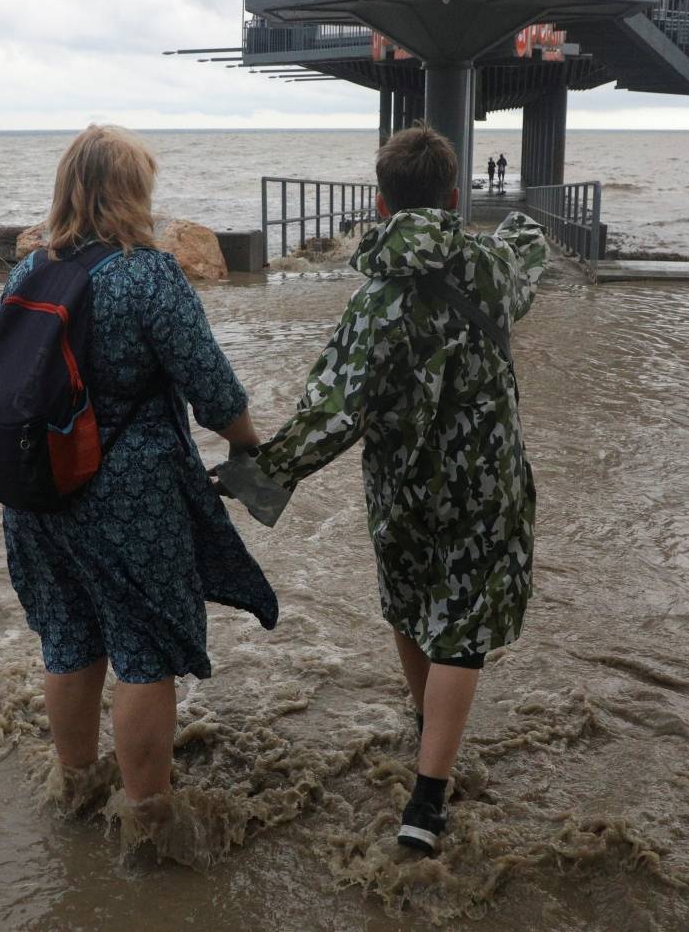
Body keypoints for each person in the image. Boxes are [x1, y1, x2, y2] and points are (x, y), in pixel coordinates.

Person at [215, 126, 548, 854]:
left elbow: (332, 414)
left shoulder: (376, 304)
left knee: (407, 600)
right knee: (462, 624)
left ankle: (427, 733)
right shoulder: (488, 267)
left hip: (403, 489)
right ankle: (428, 801)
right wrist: (526, 231)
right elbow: (528, 255)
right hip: (487, 484)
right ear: (454, 196)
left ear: (379, 202)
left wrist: (252, 474)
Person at [0, 125, 277, 810]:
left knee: (68, 641)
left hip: (34, 493)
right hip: (127, 502)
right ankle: (148, 823)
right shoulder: (148, 274)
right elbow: (213, 392)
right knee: (144, 654)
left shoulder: (28, 271)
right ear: (133, 193)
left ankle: (77, 790)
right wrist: (253, 446)